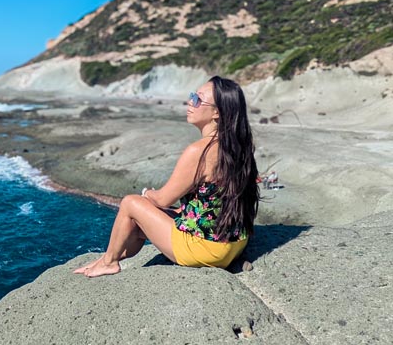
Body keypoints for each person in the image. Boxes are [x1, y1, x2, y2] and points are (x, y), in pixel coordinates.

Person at [72, 76, 259, 278]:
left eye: (198, 99)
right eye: (192, 96)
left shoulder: (199, 151)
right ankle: (107, 258)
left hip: (207, 249)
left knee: (130, 203)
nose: (190, 102)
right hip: (233, 244)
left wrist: (146, 194)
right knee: (138, 221)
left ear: (217, 113)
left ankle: (109, 262)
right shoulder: (237, 146)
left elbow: (163, 199)